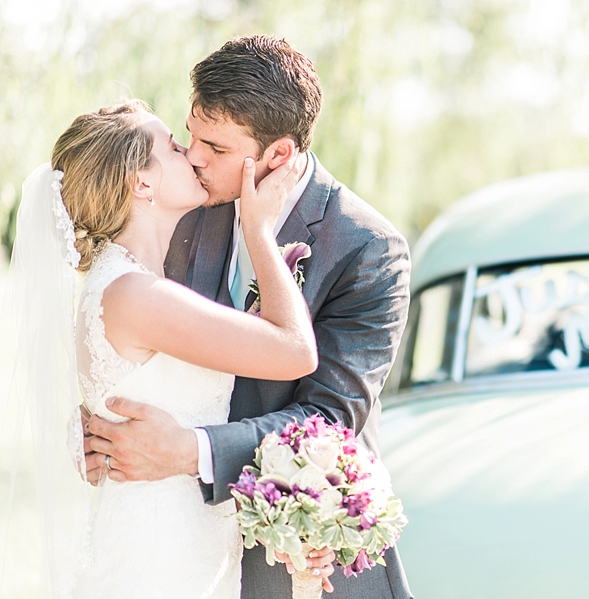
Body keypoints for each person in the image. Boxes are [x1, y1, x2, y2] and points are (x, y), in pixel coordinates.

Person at [82, 36, 414, 599]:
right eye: (189, 135)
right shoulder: (184, 207)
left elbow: (329, 421)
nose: (191, 155)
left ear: (277, 156)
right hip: (172, 542)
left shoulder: (368, 250)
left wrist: (190, 450)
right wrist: (94, 431)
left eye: (212, 144)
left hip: (301, 560)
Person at [1, 100, 338, 597]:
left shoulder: (130, 284)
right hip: (158, 558)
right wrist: (260, 233)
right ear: (142, 183)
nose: (194, 156)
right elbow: (294, 351)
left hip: (182, 543)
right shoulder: (137, 295)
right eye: (177, 148)